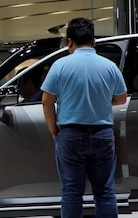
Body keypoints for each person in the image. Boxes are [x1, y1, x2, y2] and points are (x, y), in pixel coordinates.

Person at [41, 17, 127, 218]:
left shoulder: (60, 65)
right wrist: (104, 102)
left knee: (71, 193)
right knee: (105, 192)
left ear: (69, 41)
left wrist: (54, 130)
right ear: (94, 41)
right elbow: (121, 98)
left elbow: (46, 100)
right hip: (103, 135)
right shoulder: (109, 66)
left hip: (70, 134)